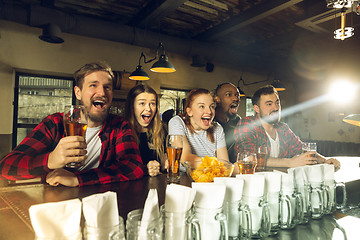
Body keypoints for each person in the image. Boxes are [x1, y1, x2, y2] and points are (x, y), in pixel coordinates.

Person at [0, 62, 144, 187]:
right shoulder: (55, 123)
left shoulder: (119, 126)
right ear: (78, 92)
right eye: (93, 85)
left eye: (107, 87)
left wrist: (78, 179)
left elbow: (133, 167)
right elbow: (6, 167)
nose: (102, 92)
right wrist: (50, 160)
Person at [233, 85, 340, 169]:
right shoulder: (247, 124)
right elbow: (248, 158)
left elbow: (302, 149)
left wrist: (325, 160)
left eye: (277, 103)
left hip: (281, 185)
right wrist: (290, 162)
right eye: (269, 104)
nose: (275, 108)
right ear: (256, 108)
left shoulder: (283, 128)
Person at [168, 88, 229, 168]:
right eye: (202, 106)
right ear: (189, 111)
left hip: (211, 178)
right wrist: (216, 165)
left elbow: (225, 164)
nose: (209, 112)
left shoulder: (217, 128)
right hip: (185, 178)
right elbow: (185, 158)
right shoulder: (177, 122)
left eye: (212, 106)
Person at [125, 84, 166, 177]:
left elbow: (164, 162)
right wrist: (145, 169)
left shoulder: (161, 130)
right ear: (132, 106)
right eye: (142, 103)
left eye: (152, 104)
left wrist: (165, 164)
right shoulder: (123, 132)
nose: (148, 109)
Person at [214, 82, 241, 163]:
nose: (235, 98)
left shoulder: (238, 122)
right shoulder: (209, 123)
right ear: (217, 99)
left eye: (237, 95)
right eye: (229, 95)